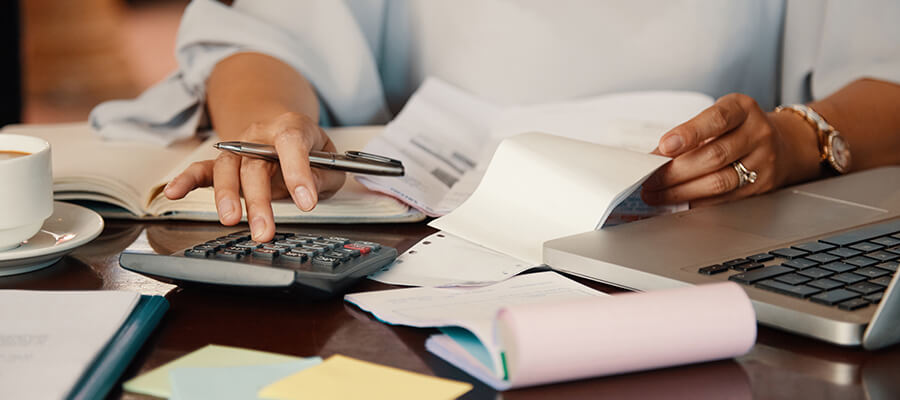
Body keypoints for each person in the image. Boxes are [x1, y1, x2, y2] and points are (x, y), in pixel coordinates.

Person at [91, 0, 900, 243]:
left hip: (715, 238)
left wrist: (797, 139)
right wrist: (272, 120)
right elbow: (264, 35)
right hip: (428, 239)